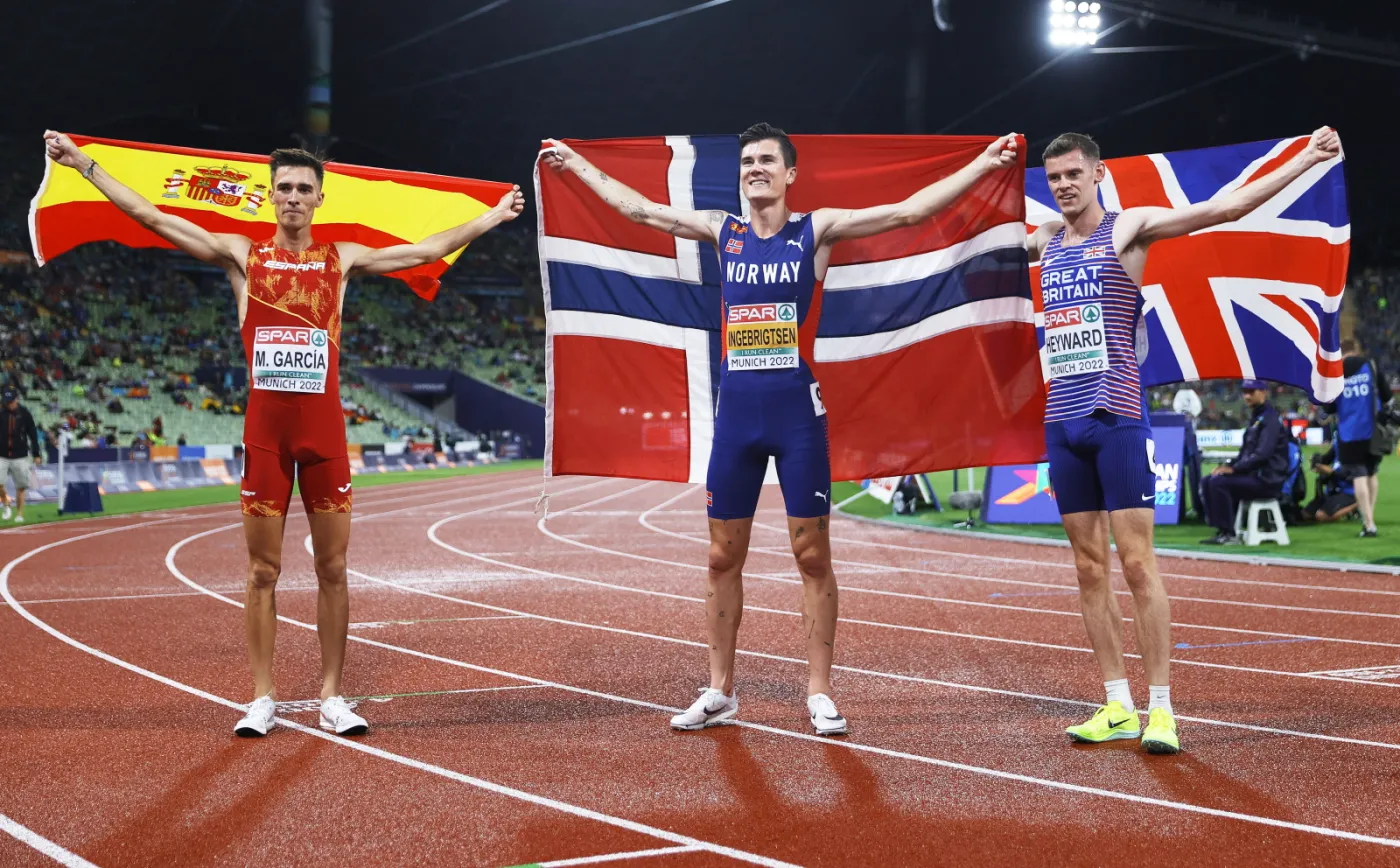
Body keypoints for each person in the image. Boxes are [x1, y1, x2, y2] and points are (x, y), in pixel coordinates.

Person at [542, 124, 1020, 736]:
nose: (755, 169)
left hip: (797, 416)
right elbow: (641, 211)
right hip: (737, 418)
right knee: (721, 556)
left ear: (790, 174)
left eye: (767, 160)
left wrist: (983, 164)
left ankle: (819, 691)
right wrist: (576, 163)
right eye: (747, 161)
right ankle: (719, 691)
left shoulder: (815, 231)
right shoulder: (724, 230)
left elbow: (907, 211)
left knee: (811, 553)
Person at [45, 130, 524, 736]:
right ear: (270, 197)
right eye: (285, 188)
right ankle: (262, 698)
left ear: (319, 199)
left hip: (323, 436)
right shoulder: (243, 257)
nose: (293, 197)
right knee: (261, 573)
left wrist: (491, 217)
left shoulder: (342, 260)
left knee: (333, 568)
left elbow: (426, 248)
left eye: (304, 189)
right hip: (266, 436)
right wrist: (82, 163)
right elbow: (149, 214)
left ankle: (331, 697)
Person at [1026, 126, 1342, 754]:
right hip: (1062, 423)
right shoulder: (1041, 241)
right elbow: (959, 231)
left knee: (1138, 564)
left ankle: (1162, 709)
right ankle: (1116, 704)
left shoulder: (1127, 228)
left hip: (1115, 416)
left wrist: (1306, 160)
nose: (1064, 185)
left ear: (1098, 174)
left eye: (1073, 174)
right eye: (1054, 177)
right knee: (1089, 569)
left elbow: (1220, 210)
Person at [1199, 381, 1290, 543]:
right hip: (1255, 476)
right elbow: (1244, 454)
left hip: (1267, 479)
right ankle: (1221, 529)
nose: (1247, 396)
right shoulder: (1257, 418)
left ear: (1263, 392)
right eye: (1245, 392)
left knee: (1218, 483)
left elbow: (1262, 454)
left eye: (1251, 392)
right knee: (1208, 480)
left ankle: (1228, 534)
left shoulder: (1270, 420)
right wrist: (1227, 466)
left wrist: (1234, 470)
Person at [1322, 338, 1394, 537]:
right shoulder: (1370, 365)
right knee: (1372, 473)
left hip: (1349, 432)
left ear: (1341, 354)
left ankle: (1368, 523)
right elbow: (1388, 397)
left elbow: (1328, 407)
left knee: (1359, 475)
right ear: (1357, 350)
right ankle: (1370, 520)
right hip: (1372, 431)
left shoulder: (1336, 372)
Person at [0, 389, 43, 523]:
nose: (9, 404)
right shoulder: (1, 412)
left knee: (21, 486)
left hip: (20, 455)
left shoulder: (24, 414)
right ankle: (6, 504)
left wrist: (36, 453)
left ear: (17, 400)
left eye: (11, 402)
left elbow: (33, 434)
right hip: (1, 454)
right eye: (7, 402)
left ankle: (19, 514)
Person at [1303, 436, 1358, 523]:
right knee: (1306, 514)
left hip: (1349, 492)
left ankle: (1358, 504)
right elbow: (1327, 459)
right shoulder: (1338, 443)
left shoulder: (1357, 450)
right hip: (1333, 490)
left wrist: (1331, 472)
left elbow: (1354, 476)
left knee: (1321, 516)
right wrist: (1316, 461)